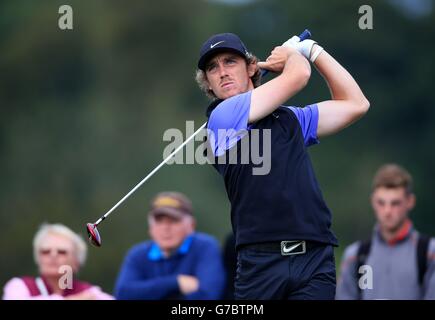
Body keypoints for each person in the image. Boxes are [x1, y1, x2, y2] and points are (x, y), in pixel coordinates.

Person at [195, 32, 370, 299]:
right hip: (260, 265)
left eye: (230, 62)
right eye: (212, 68)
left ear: (251, 67)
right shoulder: (221, 118)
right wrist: (293, 55)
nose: (222, 72)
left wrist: (313, 50)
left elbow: (355, 104)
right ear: (207, 82)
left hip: (315, 258)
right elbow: (298, 76)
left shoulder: (291, 119)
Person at [336, 164, 435, 300]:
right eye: (381, 203)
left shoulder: (429, 253)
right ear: (372, 202)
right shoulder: (355, 256)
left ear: (410, 202)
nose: (387, 211)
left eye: (395, 203)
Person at [114, 191, 225, 299]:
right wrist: (177, 282)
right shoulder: (138, 254)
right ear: (150, 228)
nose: (165, 228)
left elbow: (208, 295)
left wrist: (150, 293)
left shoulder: (205, 247)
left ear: (191, 225)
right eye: (159, 221)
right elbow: (123, 293)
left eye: (174, 221)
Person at [2, 223, 113, 300]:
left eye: (61, 252)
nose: (53, 255)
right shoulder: (19, 286)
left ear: (77, 261)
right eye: (45, 251)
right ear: (38, 258)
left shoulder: (91, 293)